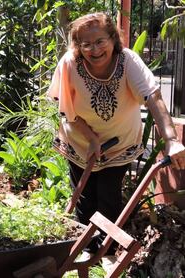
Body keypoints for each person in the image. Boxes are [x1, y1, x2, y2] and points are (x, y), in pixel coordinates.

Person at [48, 12, 185, 273]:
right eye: (85, 44)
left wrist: (170, 139)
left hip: (119, 141)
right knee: (85, 196)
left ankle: (107, 252)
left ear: (113, 38)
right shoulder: (70, 65)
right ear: (77, 46)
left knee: (108, 194)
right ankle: (86, 250)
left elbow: (152, 97)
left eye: (100, 41)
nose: (94, 49)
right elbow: (65, 109)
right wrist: (91, 138)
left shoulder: (128, 61)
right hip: (79, 139)